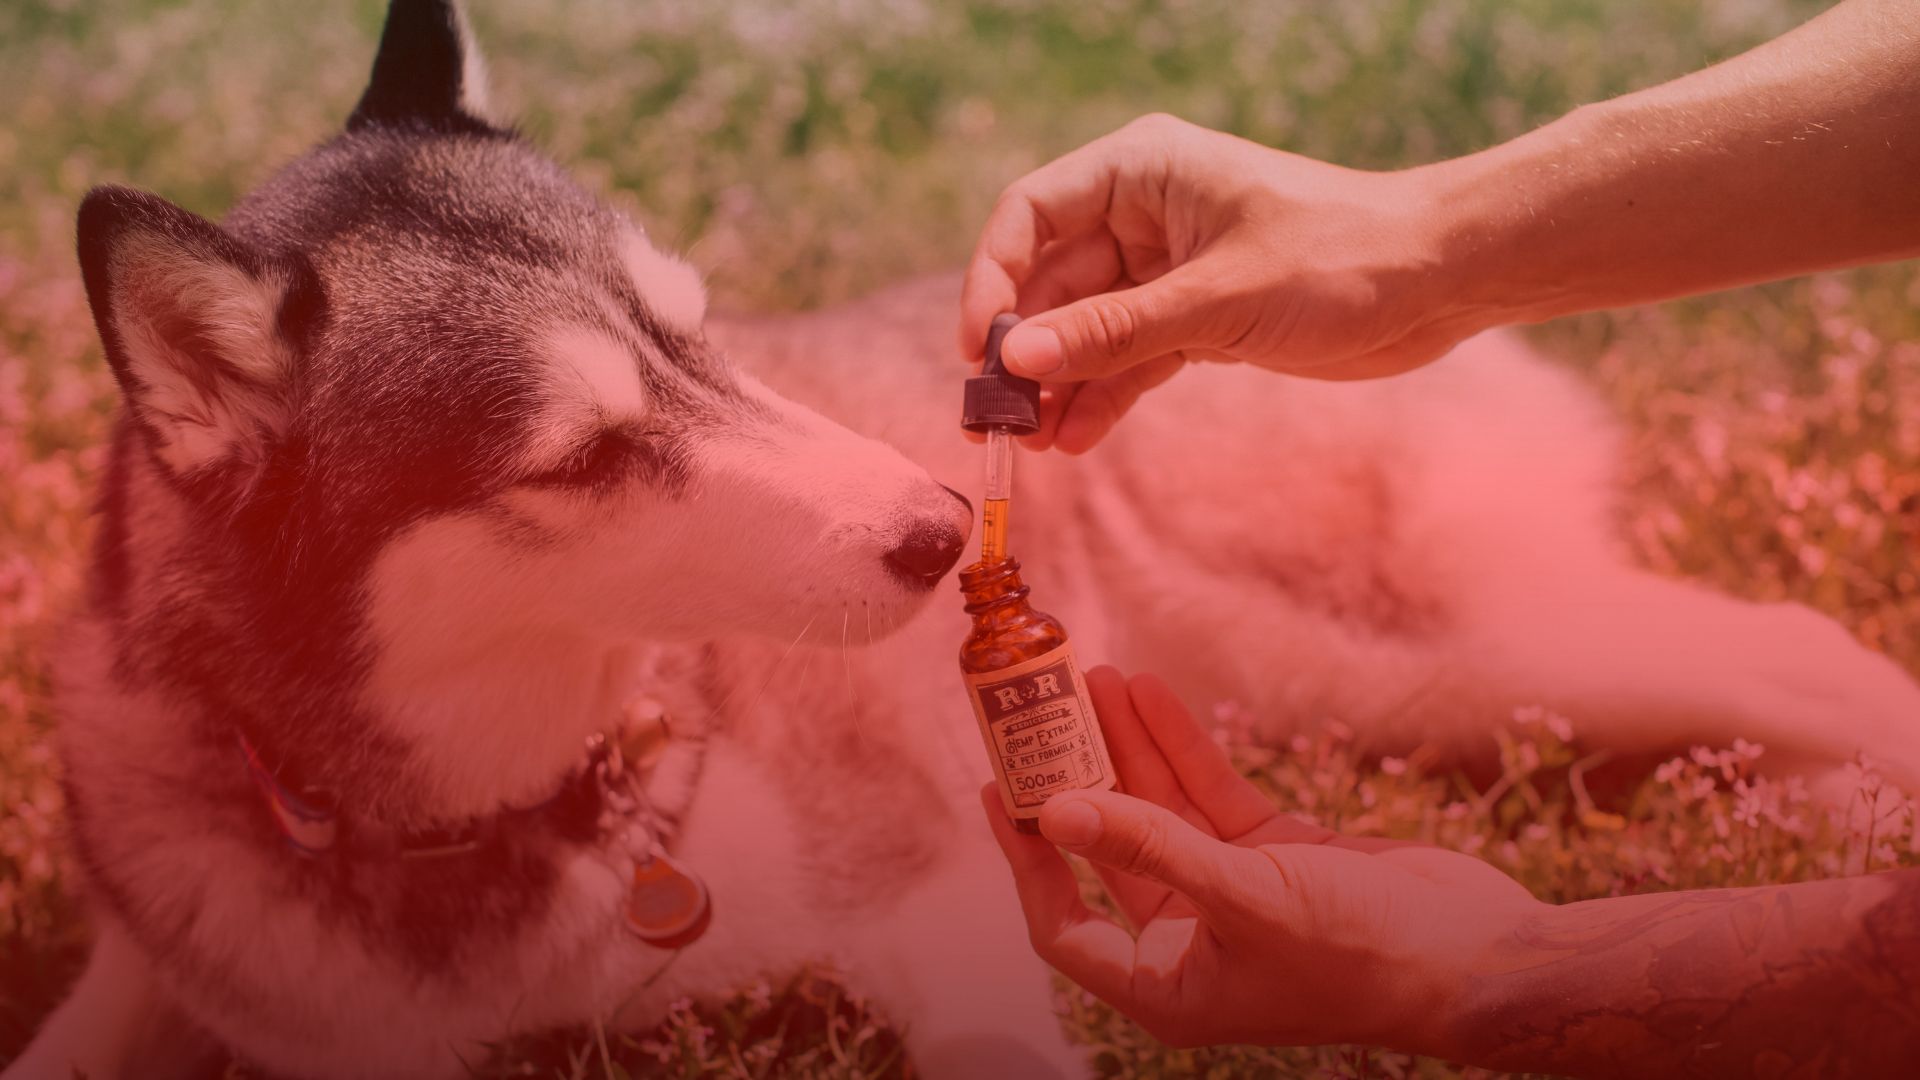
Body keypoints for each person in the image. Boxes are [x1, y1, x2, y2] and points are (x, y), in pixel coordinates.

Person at [965, 0, 1920, 1073]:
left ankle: (1815, 699)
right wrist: (1416, 240)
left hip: (1259, 441)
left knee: (1466, 661)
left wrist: (1492, 972)